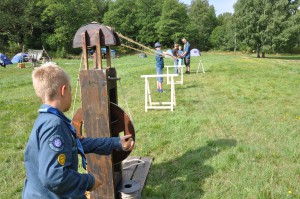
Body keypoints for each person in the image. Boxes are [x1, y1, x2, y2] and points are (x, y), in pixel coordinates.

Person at [22, 63, 134, 199]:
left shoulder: (47, 119)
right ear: (63, 90)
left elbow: (77, 144)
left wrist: (115, 142)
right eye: (70, 89)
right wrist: (88, 182)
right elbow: (54, 177)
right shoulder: (54, 125)